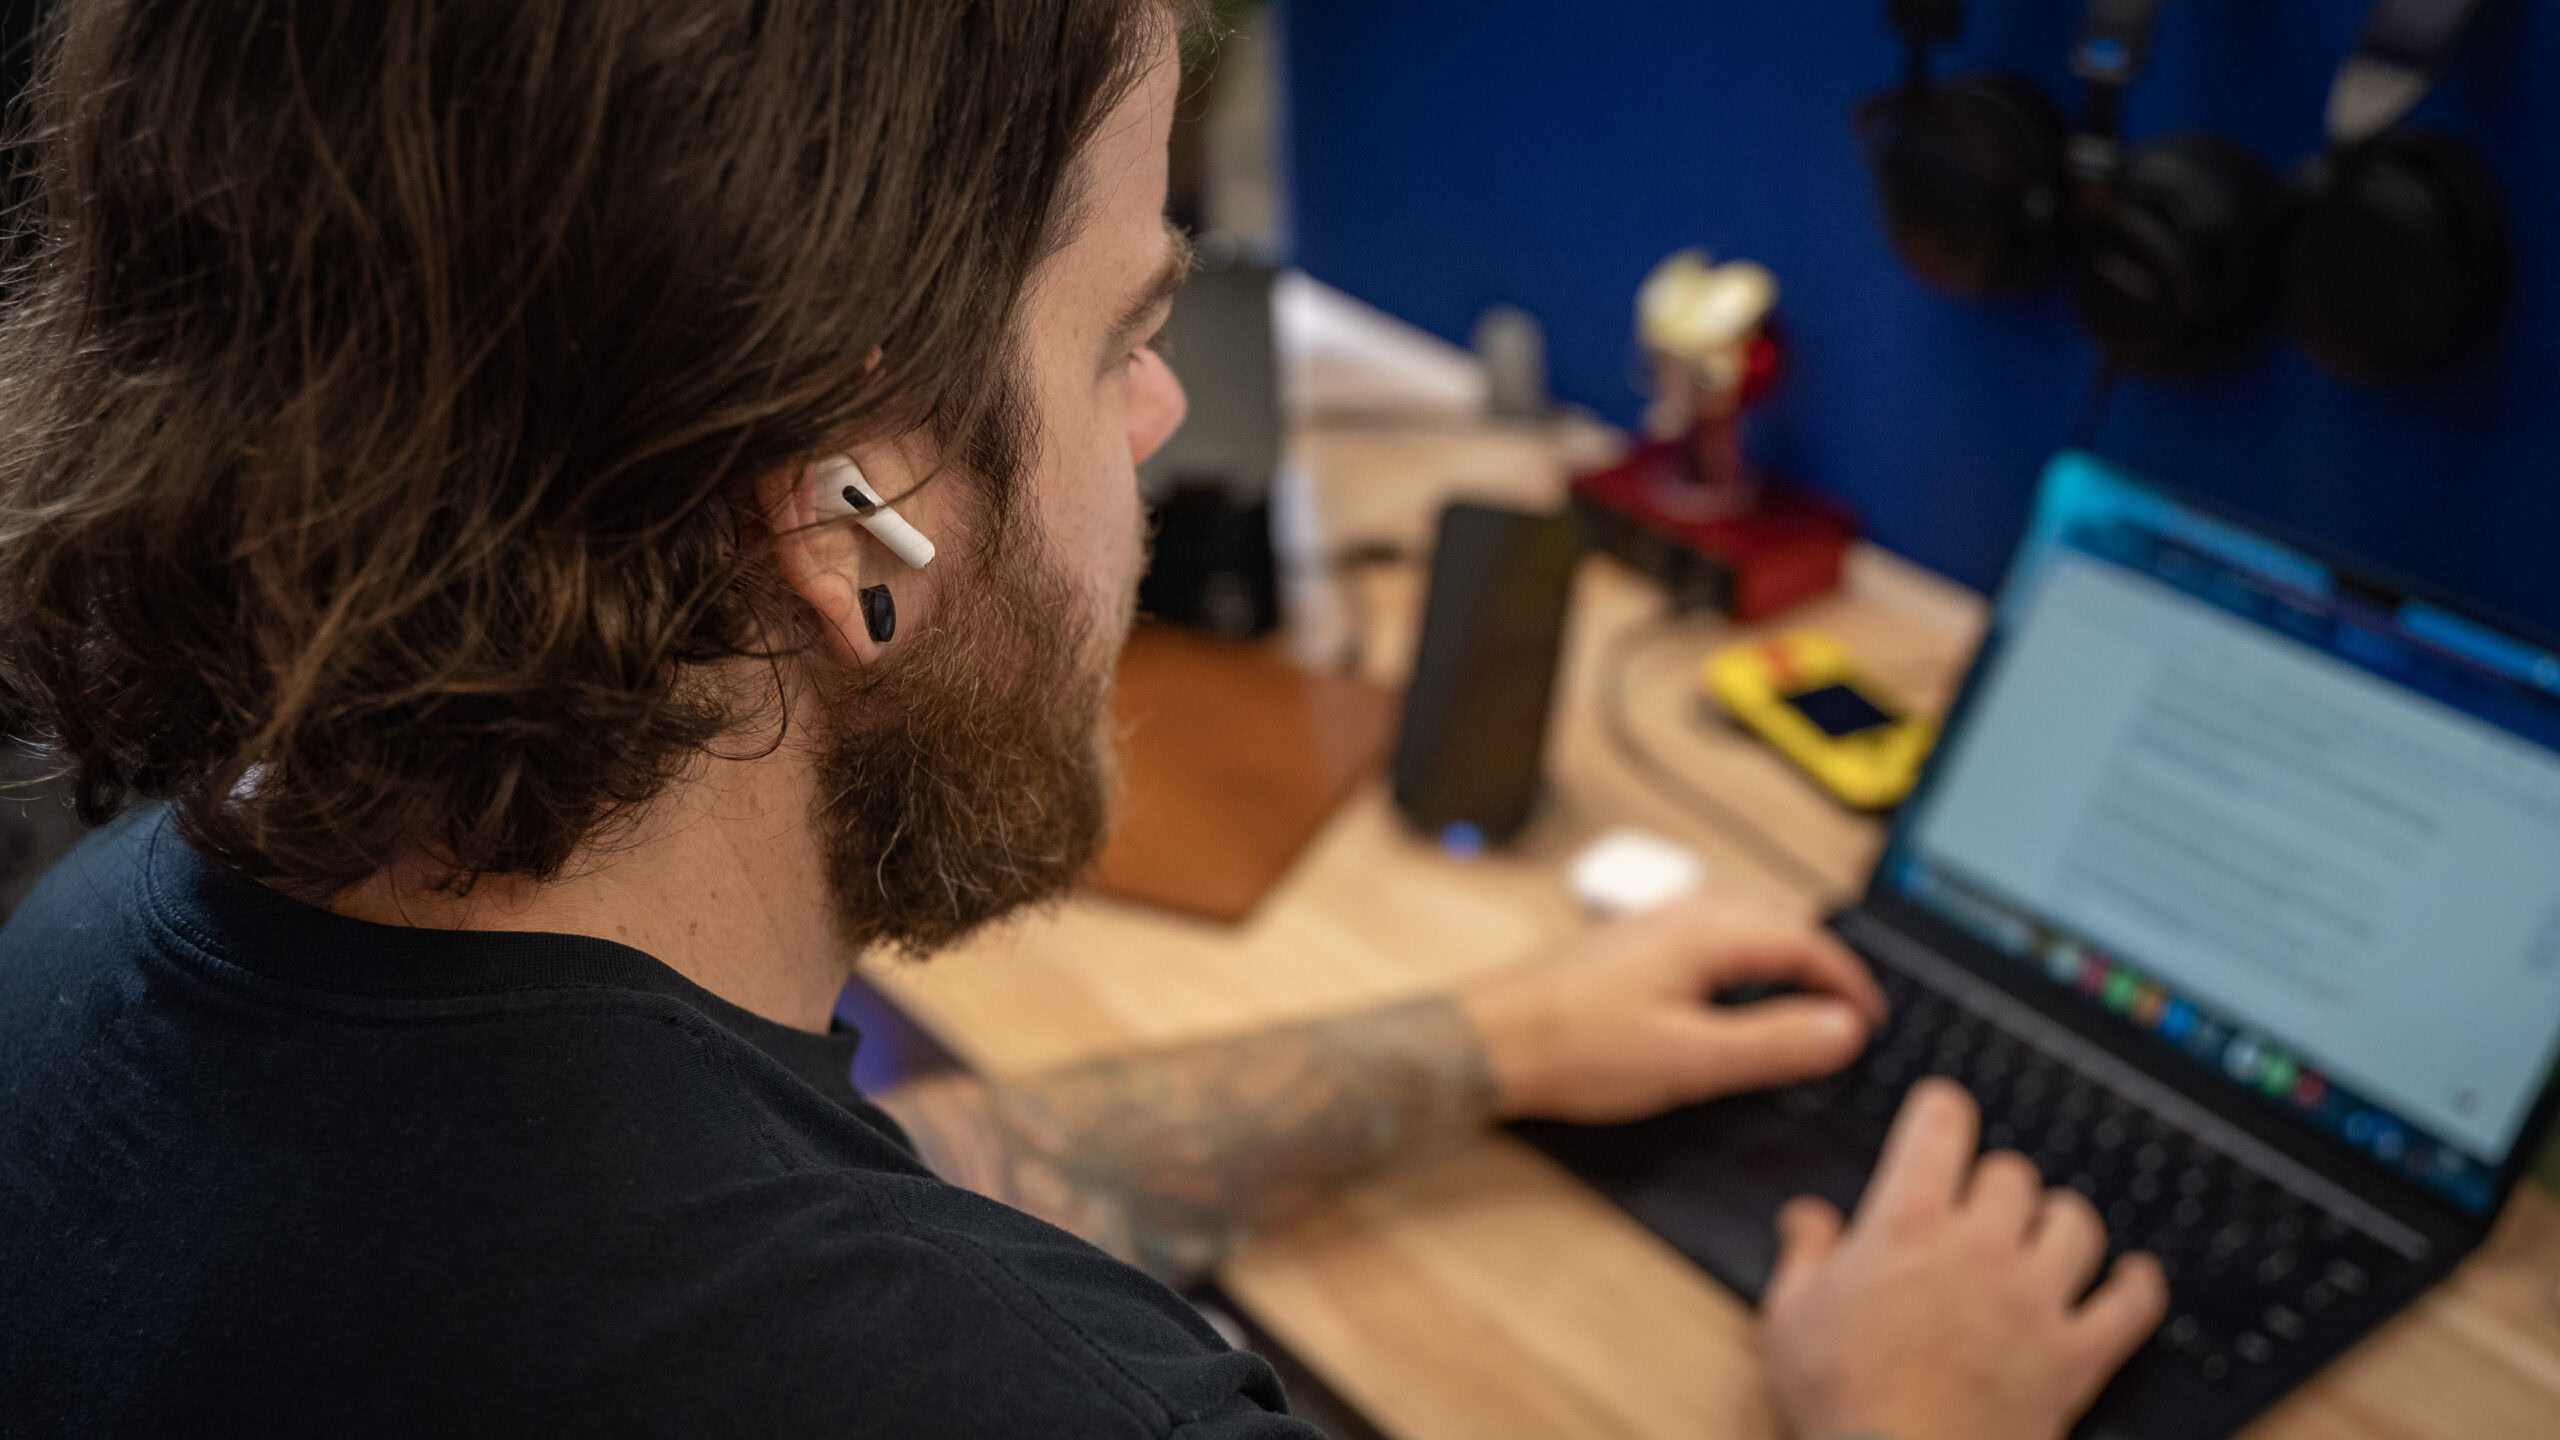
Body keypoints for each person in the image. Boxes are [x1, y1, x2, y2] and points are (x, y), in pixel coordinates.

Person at [0, 2, 2166, 1436]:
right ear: (862, 520)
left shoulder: (103, 957)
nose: (1154, 412)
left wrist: (1486, 1047)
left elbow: (839, 1196)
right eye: (1125, 324)